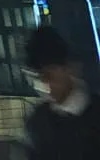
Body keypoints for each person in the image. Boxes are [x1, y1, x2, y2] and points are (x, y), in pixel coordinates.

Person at [23, 25, 100, 158]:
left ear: (69, 68)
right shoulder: (37, 122)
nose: (42, 87)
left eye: (48, 76)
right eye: (35, 79)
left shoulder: (95, 115)